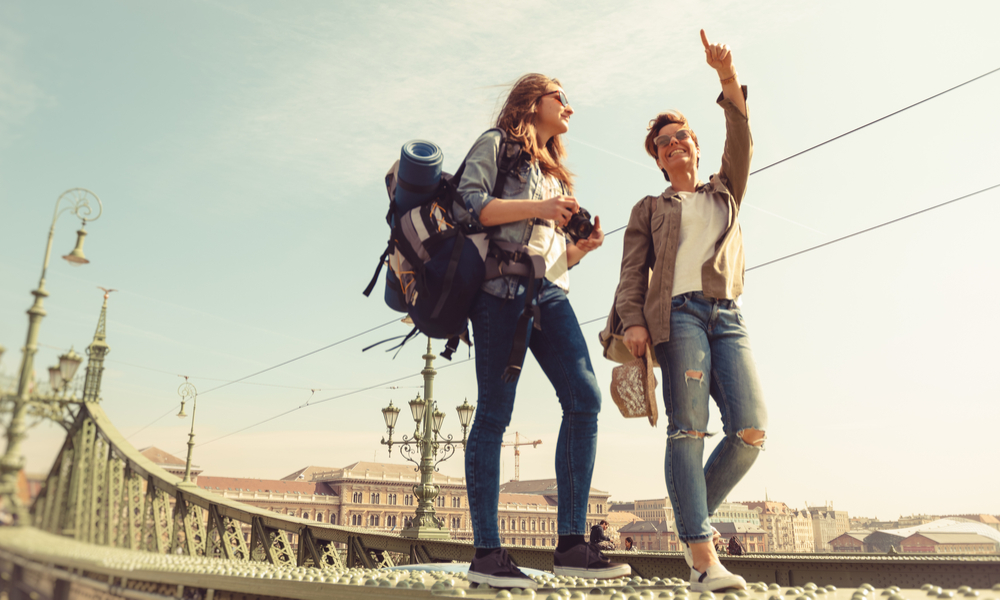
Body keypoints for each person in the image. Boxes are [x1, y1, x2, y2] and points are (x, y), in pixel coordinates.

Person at [458, 73, 629, 588]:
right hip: (498, 294)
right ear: (535, 102)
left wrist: (580, 248)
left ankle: (572, 544)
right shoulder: (497, 144)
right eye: (563, 98)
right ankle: (487, 553)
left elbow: (551, 253)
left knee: (585, 397)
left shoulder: (555, 173)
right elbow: (471, 203)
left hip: (550, 294)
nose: (571, 107)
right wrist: (539, 208)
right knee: (493, 414)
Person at [612, 30, 766, 592]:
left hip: (728, 315)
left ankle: (685, 517)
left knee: (750, 429)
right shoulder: (651, 207)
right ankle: (703, 558)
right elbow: (631, 272)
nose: (673, 145)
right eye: (662, 144)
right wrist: (632, 320)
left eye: (680, 137)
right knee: (689, 430)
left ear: (696, 145)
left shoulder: (725, 190)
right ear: (657, 159)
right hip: (676, 316)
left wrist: (726, 78)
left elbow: (742, 137)